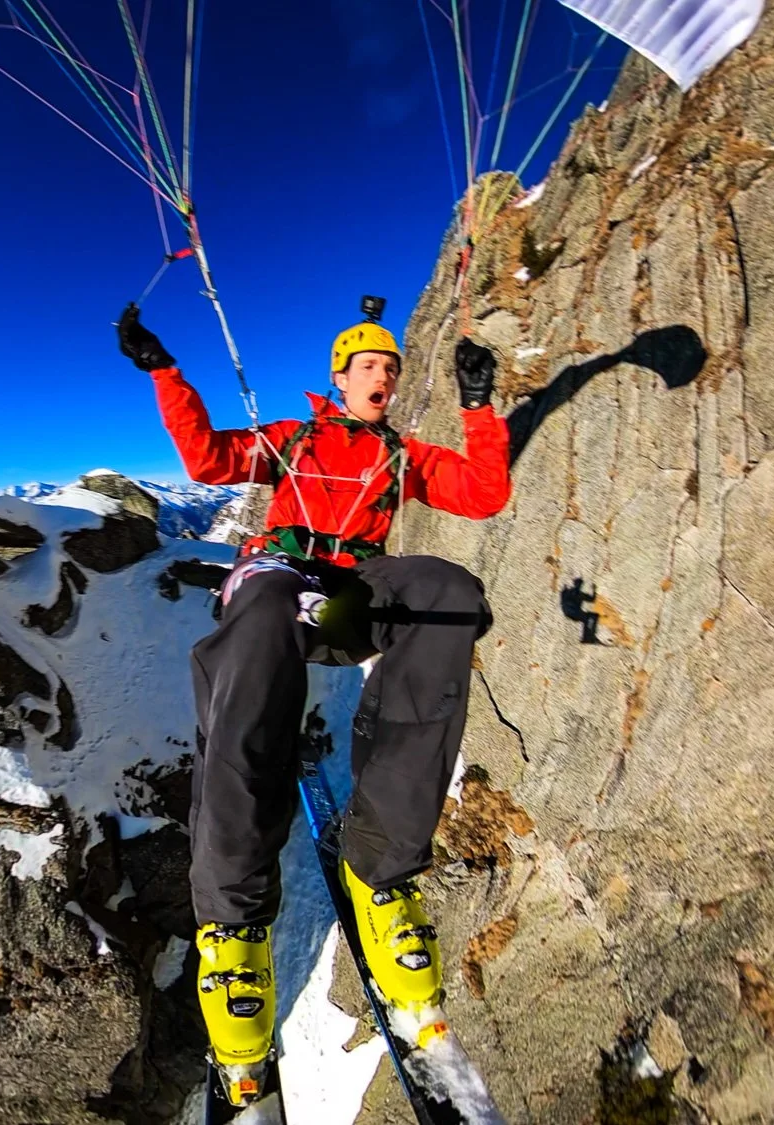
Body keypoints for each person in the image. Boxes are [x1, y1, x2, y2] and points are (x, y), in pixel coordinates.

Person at [116, 300, 511, 1094]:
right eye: (370, 365)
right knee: (262, 609)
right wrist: (165, 371)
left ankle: (380, 867)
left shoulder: (399, 455)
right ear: (340, 377)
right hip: (279, 577)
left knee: (449, 590)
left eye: (392, 367)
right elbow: (207, 459)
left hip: (348, 596)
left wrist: (478, 407)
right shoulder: (293, 439)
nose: (383, 376)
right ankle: (233, 924)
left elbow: (481, 493)